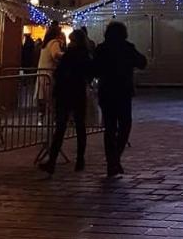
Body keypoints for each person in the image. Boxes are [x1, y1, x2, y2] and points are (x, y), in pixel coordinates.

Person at [92, 21, 147, 176]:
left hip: (106, 92)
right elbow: (142, 62)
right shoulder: (127, 47)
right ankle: (115, 158)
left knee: (110, 128)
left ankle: (112, 161)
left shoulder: (101, 48)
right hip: (123, 92)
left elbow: (94, 69)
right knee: (125, 125)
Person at [41, 29, 94, 174]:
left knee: (60, 128)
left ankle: (52, 161)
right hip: (78, 93)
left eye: (72, 41)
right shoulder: (86, 56)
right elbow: (90, 73)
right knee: (80, 127)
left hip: (65, 93)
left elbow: (59, 73)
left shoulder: (69, 55)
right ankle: (80, 160)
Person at [35, 25, 64, 123]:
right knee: (51, 96)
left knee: (42, 96)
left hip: (41, 73)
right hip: (49, 73)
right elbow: (56, 54)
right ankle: (53, 119)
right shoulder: (54, 43)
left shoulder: (45, 44)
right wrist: (67, 55)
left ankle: (41, 117)